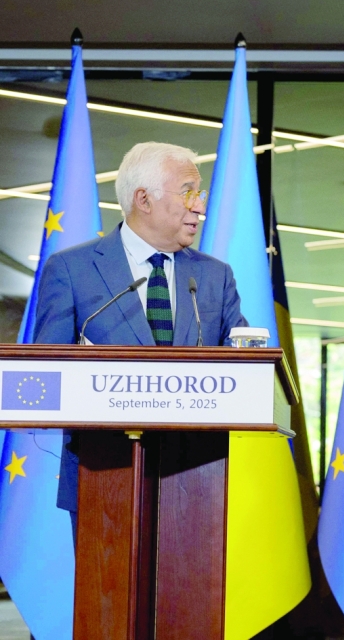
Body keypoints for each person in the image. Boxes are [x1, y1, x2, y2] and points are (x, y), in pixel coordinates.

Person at [31, 141, 248, 527]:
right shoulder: (72, 270)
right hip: (100, 475)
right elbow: (44, 375)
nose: (199, 206)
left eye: (199, 194)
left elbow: (247, 369)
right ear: (143, 199)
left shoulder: (215, 276)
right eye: (188, 193)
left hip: (197, 482)